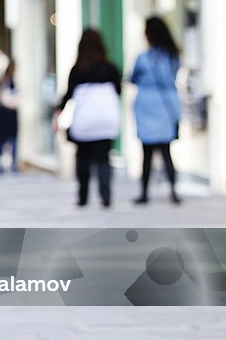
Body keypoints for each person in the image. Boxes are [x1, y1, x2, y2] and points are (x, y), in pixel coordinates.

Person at [53, 29, 122, 208]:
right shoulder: (110, 68)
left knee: (83, 158)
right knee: (103, 159)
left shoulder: (77, 70)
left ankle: (83, 196)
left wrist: (57, 114)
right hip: (106, 121)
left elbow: (68, 96)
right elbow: (118, 91)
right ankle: (105, 195)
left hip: (84, 121)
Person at [131, 16, 183, 205]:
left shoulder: (142, 59)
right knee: (166, 151)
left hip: (147, 104)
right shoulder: (173, 56)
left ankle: (144, 193)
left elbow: (133, 78)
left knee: (147, 153)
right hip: (167, 103)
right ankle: (173, 192)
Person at [0, 60, 19, 175]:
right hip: (7, 114)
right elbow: (4, 98)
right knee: (9, 139)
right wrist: (15, 103)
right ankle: (11, 164)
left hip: (4, 114)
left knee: (4, 140)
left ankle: (4, 163)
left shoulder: (4, 80)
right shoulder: (7, 81)